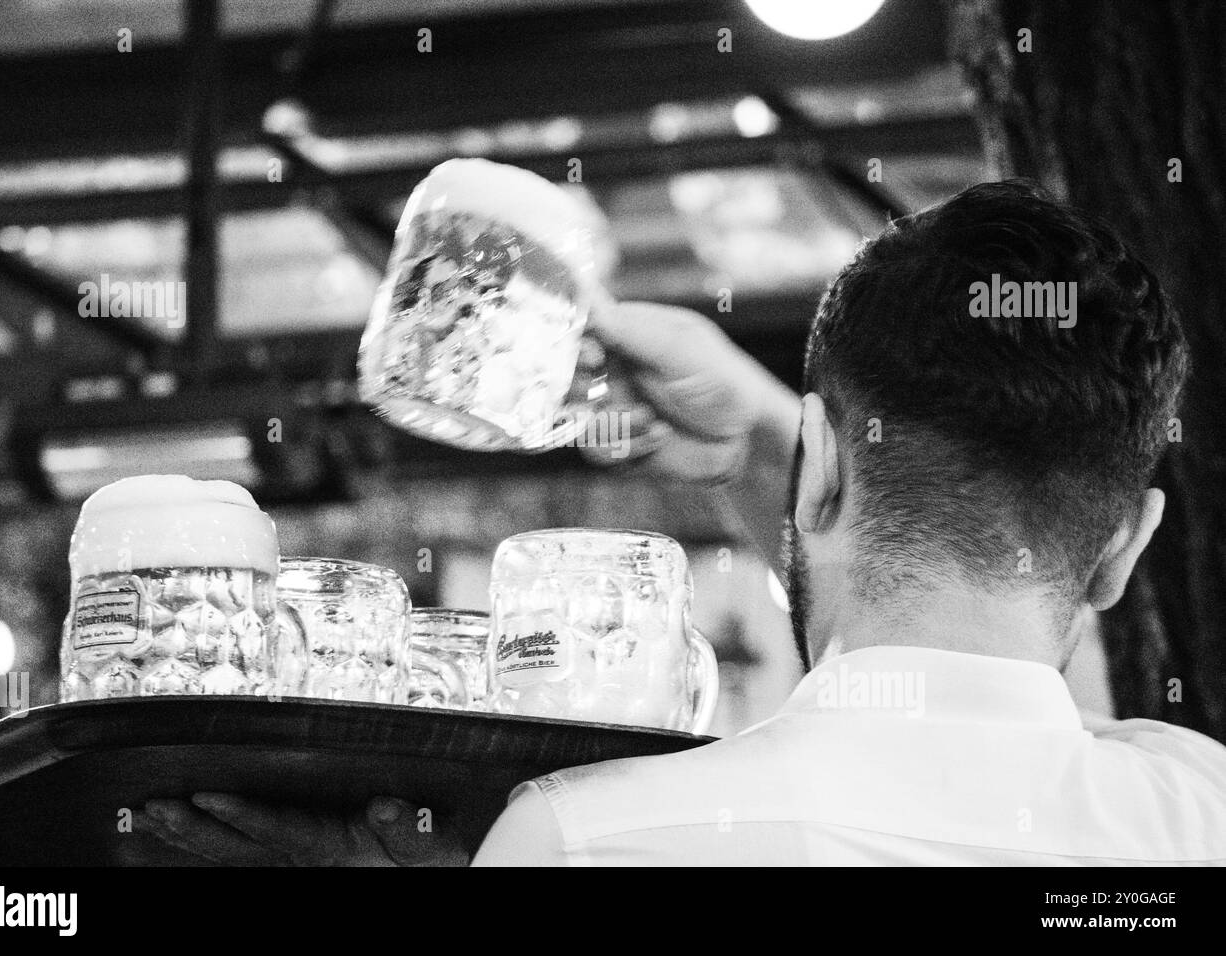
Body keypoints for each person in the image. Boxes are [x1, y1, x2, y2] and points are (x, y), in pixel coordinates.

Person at [138, 180, 1226, 866]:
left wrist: (775, 443)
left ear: (825, 468)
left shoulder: (585, 836)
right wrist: (772, 444)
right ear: (1125, 542)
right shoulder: (1196, 813)